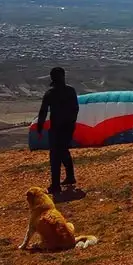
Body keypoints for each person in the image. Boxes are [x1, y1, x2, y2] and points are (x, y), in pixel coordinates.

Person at [35, 67, 79, 195]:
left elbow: (43, 112)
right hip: (68, 127)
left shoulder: (50, 93)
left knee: (55, 155)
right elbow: (75, 109)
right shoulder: (71, 91)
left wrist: (39, 127)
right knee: (63, 150)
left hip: (56, 129)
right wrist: (71, 124)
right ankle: (70, 177)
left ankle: (55, 185)